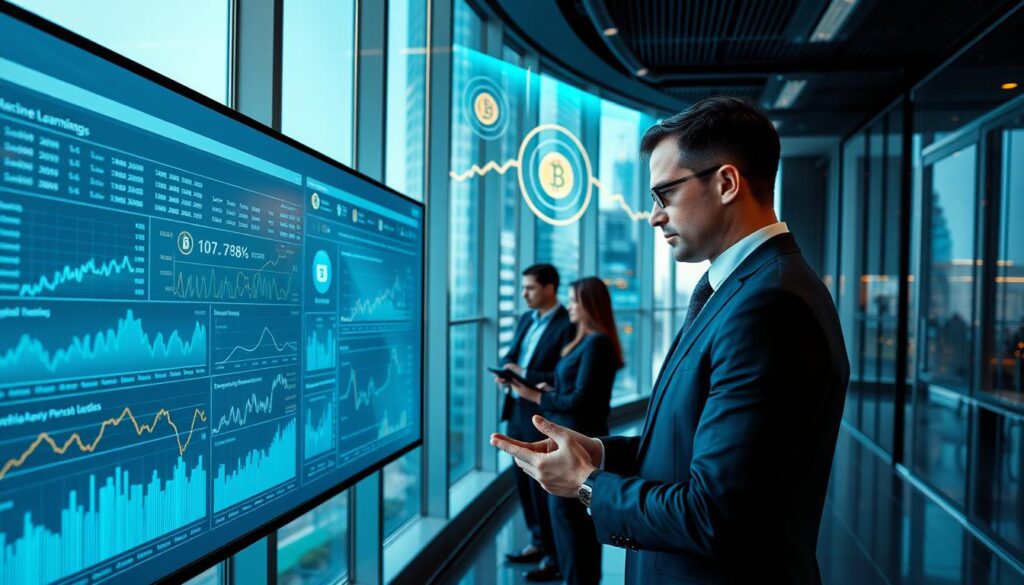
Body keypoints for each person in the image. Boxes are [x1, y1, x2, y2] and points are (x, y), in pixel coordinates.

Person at [491, 96, 850, 584]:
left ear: (726, 184)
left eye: (665, 194)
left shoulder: (770, 306)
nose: (654, 216)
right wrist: (600, 453)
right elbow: (696, 447)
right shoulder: (745, 287)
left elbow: (715, 514)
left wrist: (587, 485)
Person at [507, 277, 623, 585]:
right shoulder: (584, 341)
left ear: (587, 304)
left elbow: (583, 400)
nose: (569, 306)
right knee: (564, 521)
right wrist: (552, 386)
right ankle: (569, 572)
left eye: (573, 300)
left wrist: (536, 395)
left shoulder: (597, 343)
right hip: (569, 438)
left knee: (571, 524)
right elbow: (576, 389)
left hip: (578, 441)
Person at [497, 263, 576, 581]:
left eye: (530, 288)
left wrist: (524, 375)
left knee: (546, 489)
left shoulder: (567, 324)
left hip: (543, 416)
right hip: (517, 411)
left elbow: (562, 376)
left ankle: (555, 558)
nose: (524, 294)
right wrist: (506, 370)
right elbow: (512, 355)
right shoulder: (527, 319)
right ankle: (538, 543)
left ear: (549, 288)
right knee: (524, 486)